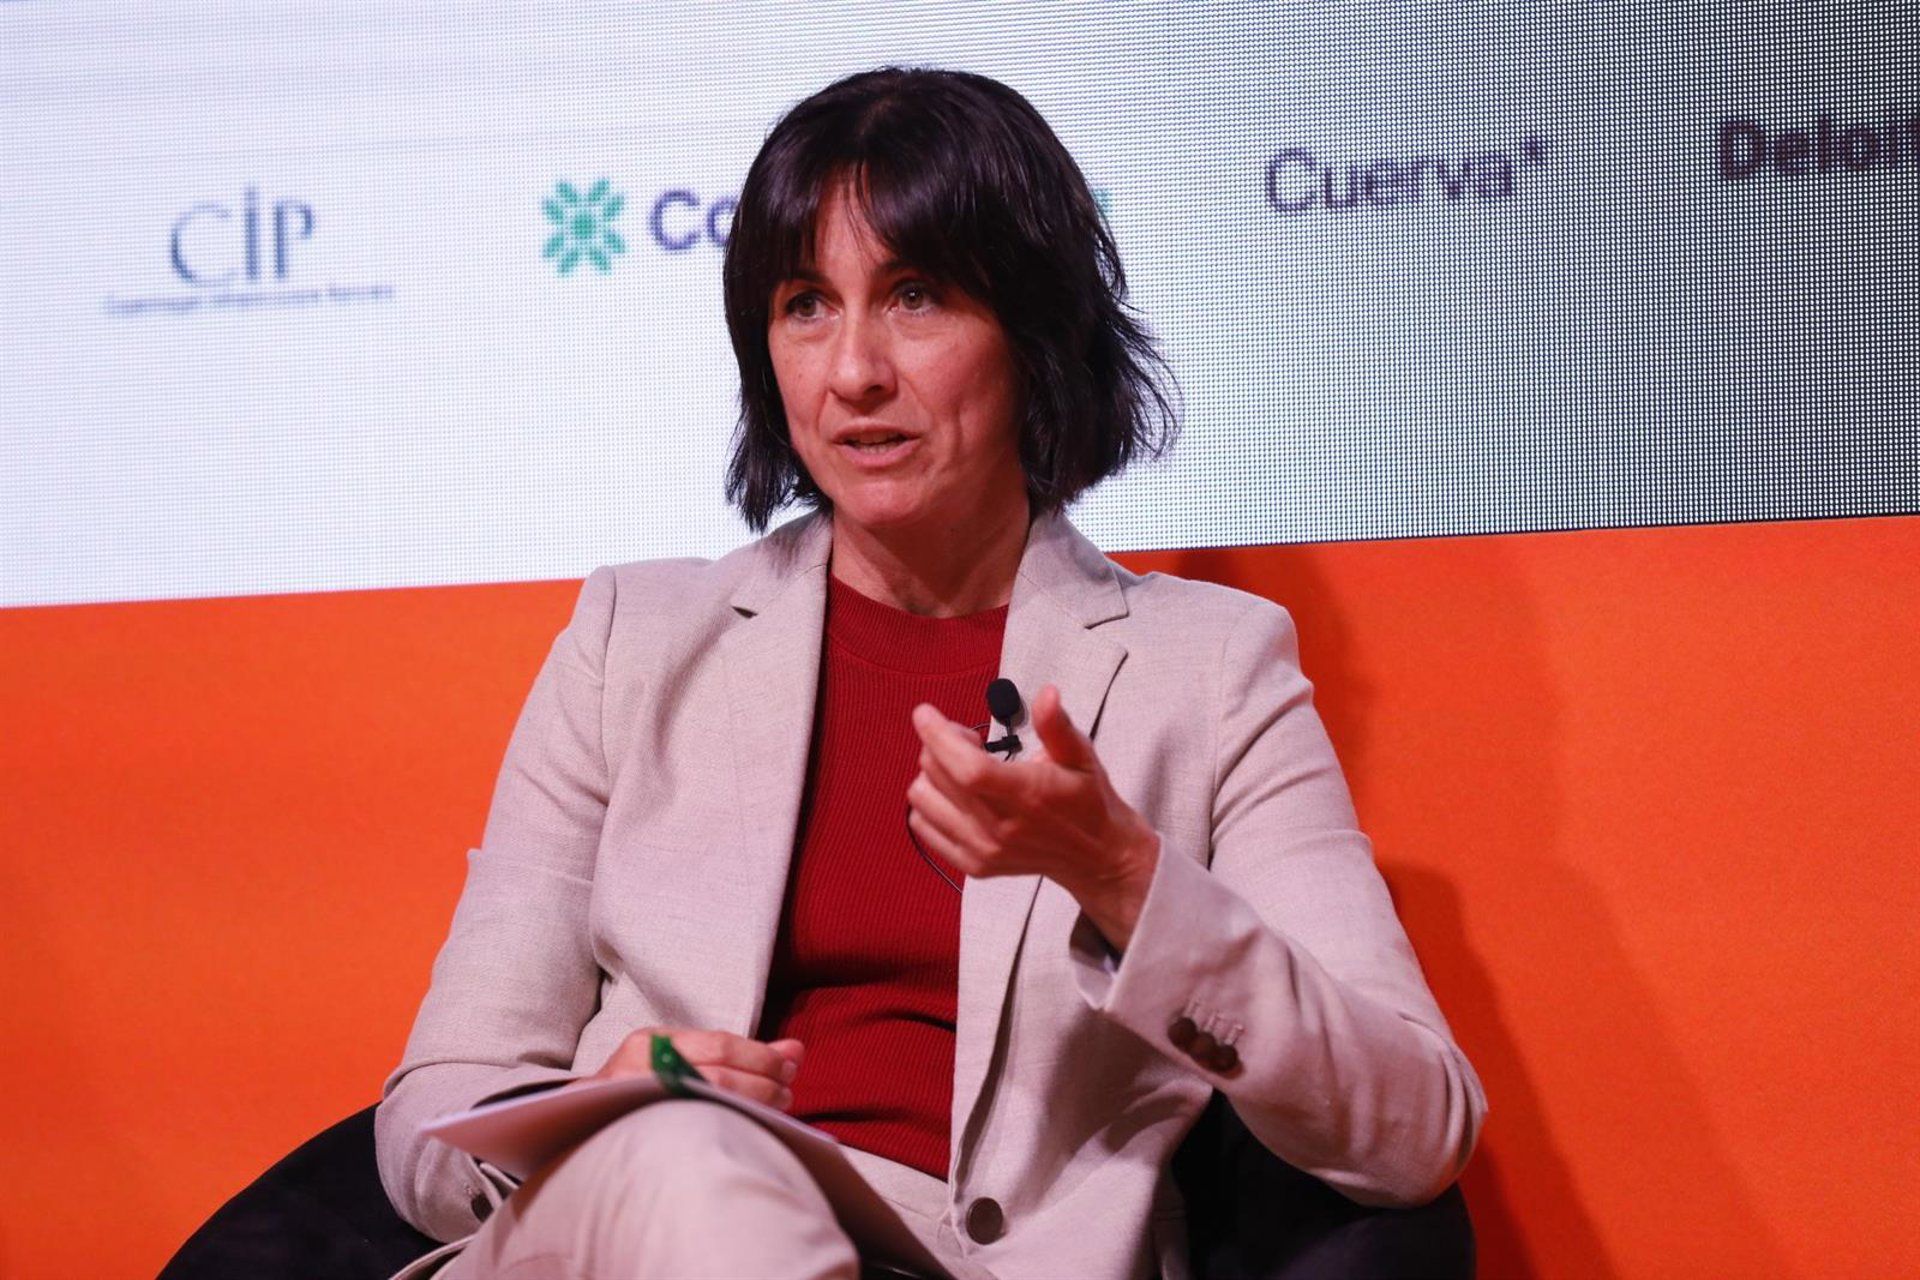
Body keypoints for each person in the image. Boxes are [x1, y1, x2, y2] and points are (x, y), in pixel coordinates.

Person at [375, 66, 1485, 1280]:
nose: (853, 370)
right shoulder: (631, 641)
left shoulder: (1210, 671)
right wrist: (596, 1113)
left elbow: (1415, 1129)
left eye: (914, 297)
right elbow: (433, 1112)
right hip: (626, 1235)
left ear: (1035, 333)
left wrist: (1122, 874)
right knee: (684, 1156)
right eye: (807, 305)